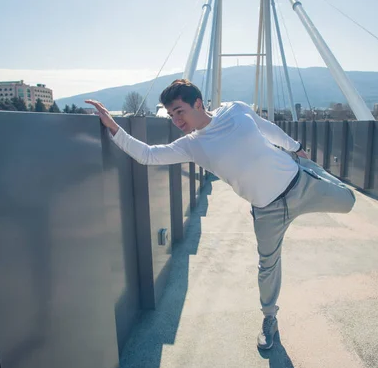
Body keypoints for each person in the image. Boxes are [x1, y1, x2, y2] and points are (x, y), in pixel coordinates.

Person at [86, 79, 355, 350]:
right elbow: (147, 155)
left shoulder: (235, 110)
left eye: (179, 111)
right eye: (170, 115)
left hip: (300, 184)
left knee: (348, 201)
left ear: (198, 103)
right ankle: (269, 319)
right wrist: (113, 127)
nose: (176, 120)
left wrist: (295, 147)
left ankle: (309, 167)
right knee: (267, 266)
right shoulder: (190, 145)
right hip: (267, 210)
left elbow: (268, 130)